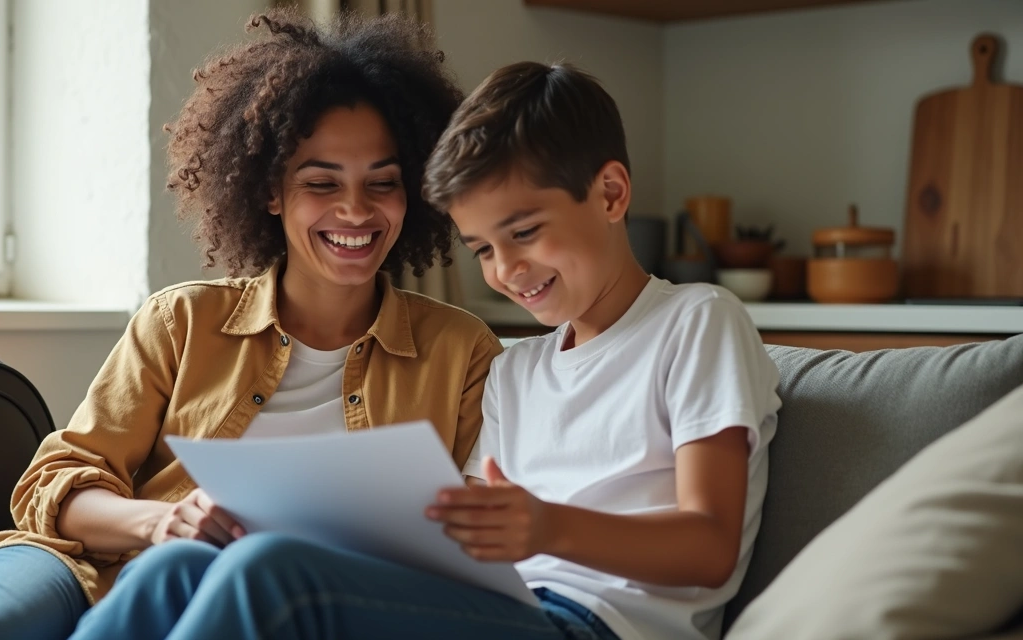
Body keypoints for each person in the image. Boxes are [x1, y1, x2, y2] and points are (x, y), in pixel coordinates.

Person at [0, 8, 500, 640]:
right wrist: (161, 520)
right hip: (72, 561)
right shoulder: (184, 318)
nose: (356, 211)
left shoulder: (460, 351)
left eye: (383, 182)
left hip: (244, 594)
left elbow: (459, 540)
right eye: (321, 183)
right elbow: (53, 485)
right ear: (269, 190)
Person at [68, 60, 782, 640]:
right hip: (501, 610)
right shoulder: (515, 370)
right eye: (482, 250)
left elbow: (711, 546)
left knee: (272, 573)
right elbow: (460, 531)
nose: (506, 271)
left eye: (525, 233)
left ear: (612, 193)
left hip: (597, 626)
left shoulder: (696, 322)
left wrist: (545, 526)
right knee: (175, 568)